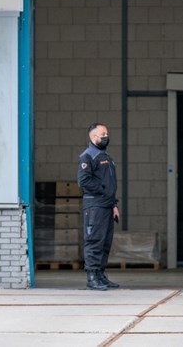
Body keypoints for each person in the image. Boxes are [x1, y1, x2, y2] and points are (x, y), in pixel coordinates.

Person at [77, 123, 121, 291]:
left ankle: (101, 275)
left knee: (105, 242)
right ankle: (92, 277)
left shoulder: (106, 157)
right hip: (94, 206)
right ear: (93, 137)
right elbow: (84, 181)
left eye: (107, 133)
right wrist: (103, 191)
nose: (106, 136)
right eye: (102, 134)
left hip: (107, 206)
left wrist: (113, 204)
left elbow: (110, 185)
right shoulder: (88, 156)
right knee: (94, 241)